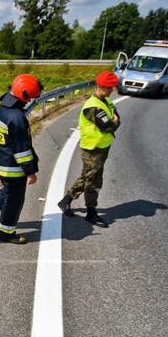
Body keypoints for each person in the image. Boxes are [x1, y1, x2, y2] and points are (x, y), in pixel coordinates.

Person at [0, 74, 43, 244]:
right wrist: (31, 172)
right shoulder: (17, 118)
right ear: (23, 95)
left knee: (7, 191)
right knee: (14, 200)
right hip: (14, 168)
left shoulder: (1, 109)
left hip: (2, 162)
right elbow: (22, 150)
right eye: (29, 98)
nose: (29, 102)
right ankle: (6, 232)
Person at [57, 71, 121, 228]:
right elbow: (108, 126)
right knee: (93, 180)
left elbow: (116, 120)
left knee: (88, 176)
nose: (111, 91)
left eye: (112, 87)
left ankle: (66, 201)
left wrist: (115, 122)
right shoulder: (92, 107)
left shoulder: (106, 102)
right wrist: (115, 122)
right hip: (92, 149)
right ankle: (91, 213)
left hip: (102, 147)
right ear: (99, 87)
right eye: (108, 88)